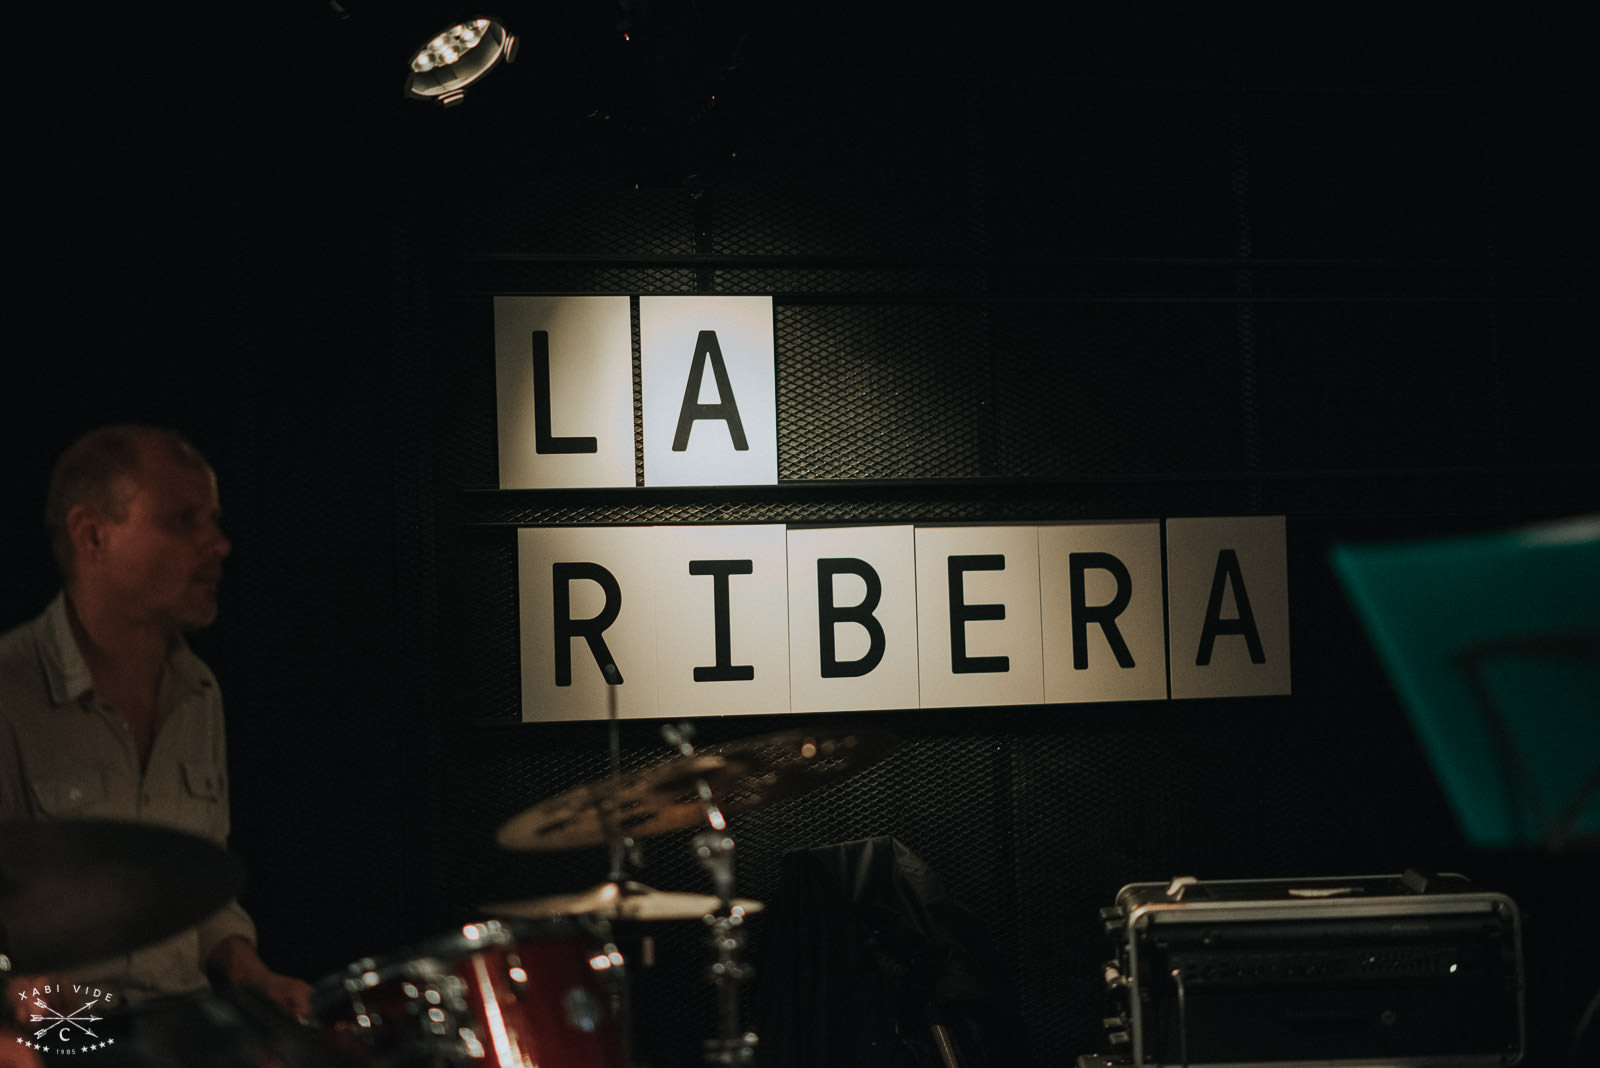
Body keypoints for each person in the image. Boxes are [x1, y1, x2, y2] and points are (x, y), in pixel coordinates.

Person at [0, 425, 312, 1032]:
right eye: (184, 521)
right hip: (58, 1031)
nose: (218, 544)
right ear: (92, 534)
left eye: (214, 520)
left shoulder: (198, 693)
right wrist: (32, 1015)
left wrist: (253, 973)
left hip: (180, 1020)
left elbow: (199, 890)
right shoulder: (8, 693)